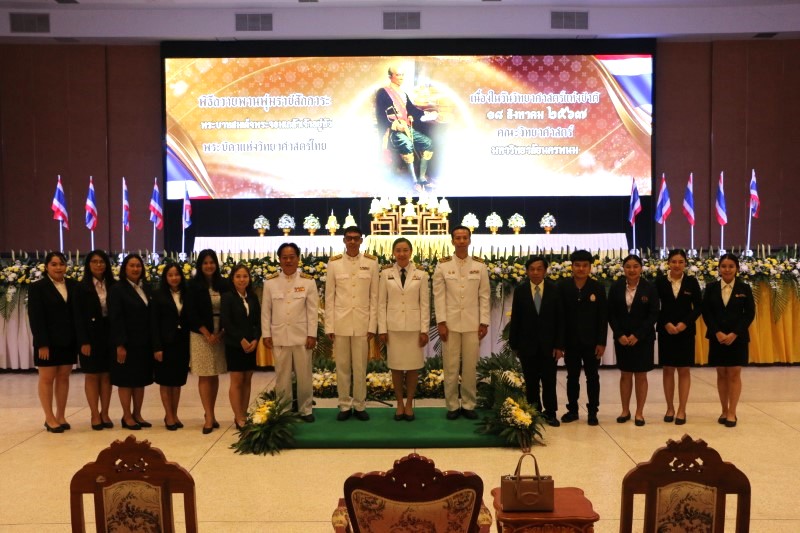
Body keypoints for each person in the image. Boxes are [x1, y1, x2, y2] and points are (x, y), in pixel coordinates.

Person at [433, 225, 490, 420]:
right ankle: (452, 406)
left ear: (469, 240)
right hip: (450, 324)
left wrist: (484, 322)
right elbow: (439, 296)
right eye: (458, 238)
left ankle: (468, 404)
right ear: (452, 241)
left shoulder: (479, 266)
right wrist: (441, 322)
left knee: (470, 367)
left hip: (472, 324)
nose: (461, 241)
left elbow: (484, 296)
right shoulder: (443, 265)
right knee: (450, 367)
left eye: (465, 237)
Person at [325, 226, 379, 422]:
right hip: (340, 323)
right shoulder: (334, 263)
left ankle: (360, 404)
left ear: (361, 240)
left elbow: (374, 297)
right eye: (349, 238)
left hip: (362, 323)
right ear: (344, 240)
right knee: (342, 367)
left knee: (360, 367)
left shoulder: (371, 263)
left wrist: (372, 326)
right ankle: (344, 405)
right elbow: (329, 297)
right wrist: (329, 326)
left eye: (356, 238)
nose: (353, 242)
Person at [261, 243, 319, 423]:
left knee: (304, 375)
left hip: (302, 336)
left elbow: (312, 311)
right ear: (279, 259)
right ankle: (284, 409)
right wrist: (266, 334)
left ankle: (305, 409)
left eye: (292, 257)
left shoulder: (308, 281)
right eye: (284, 257)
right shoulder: (270, 282)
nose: (288, 261)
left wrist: (312, 334)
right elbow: (266, 311)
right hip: (279, 336)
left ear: (298, 258)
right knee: (282, 376)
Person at [508, 256, 565, 427]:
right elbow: (516, 318)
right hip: (527, 345)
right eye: (532, 269)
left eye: (539, 269)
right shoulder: (521, 291)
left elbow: (561, 319)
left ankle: (551, 413)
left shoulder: (555, 290)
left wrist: (559, 345)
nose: (535, 272)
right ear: (527, 271)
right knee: (531, 381)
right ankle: (534, 411)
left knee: (549, 381)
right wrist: (514, 344)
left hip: (549, 346)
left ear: (545, 271)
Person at [378, 238, 430, 422]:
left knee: (414, 367)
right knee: (396, 368)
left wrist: (424, 330)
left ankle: (409, 404)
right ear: (393, 253)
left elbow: (425, 304)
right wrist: (382, 329)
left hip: (414, 328)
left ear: (411, 252)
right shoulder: (385, 274)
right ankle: (399, 403)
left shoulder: (421, 274)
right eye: (398, 250)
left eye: (405, 250)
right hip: (393, 328)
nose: (402, 254)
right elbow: (381, 303)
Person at [702, 253, 755, 428]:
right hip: (717, 337)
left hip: (737, 338)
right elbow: (706, 312)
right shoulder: (711, 288)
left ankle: (732, 412)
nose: (727, 269)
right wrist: (716, 332)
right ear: (719, 269)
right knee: (721, 373)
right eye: (724, 266)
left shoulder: (744, 288)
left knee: (734, 374)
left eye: (731, 266)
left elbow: (749, 314)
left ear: (737, 269)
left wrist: (734, 333)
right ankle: (724, 410)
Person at [28, 251, 78, 433]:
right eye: (54, 264)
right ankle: (49, 418)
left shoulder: (73, 285)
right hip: (47, 342)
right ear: (46, 266)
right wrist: (42, 343)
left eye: (61, 264)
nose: (58, 268)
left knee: (64, 377)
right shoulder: (38, 287)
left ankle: (60, 415)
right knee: (47, 378)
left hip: (68, 340)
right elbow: (36, 317)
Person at [607, 254, 659, 426]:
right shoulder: (616, 287)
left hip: (643, 339)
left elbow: (653, 314)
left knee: (641, 375)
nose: (632, 270)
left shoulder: (649, 287)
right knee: (625, 375)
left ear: (641, 268)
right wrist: (619, 334)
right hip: (622, 338)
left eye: (635, 266)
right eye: (628, 266)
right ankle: (625, 410)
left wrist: (638, 335)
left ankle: (639, 412)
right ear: (623, 268)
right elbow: (611, 313)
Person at [557, 250, 607, 426]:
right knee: (572, 377)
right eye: (577, 265)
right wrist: (560, 343)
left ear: (590, 267)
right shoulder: (563, 287)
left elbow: (603, 317)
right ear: (572, 267)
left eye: (585, 265)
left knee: (592, 377)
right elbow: (559, 317)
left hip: (592, 342)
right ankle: (572, 410)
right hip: (570, 342)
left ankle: (593, 411)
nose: (581, 269)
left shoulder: (597, 287)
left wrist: (601, 342)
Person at [655, 249, 702, 425]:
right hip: (666, 330)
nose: (677, 265)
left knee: (683, 370)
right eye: (673, 261)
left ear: (685, 264)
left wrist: (685, 323)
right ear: (668, 263)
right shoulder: (659, 281)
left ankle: (682, 409)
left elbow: (698, 307)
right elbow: (654, 306)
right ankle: (670, 408)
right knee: (668, 369)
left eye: (680, 262)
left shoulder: (691, 282)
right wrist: (666, 323)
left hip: (685, 332)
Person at [186, 249, 230, 434]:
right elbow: (190, 312)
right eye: (205, 263)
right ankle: (209, 416)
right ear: (200, 265)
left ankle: (211, 412)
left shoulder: (224, 284)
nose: (209, 266)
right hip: (200, 335)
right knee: (205, 375)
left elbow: (230, 308)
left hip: (220, 334)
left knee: (214, 374)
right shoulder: (193, 285)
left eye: (212, 262)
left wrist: (221, 332)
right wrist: (207, 333)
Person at [108, 253, 154, 430]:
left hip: (144, 342)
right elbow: (116, 318)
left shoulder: (146, 287)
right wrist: (120, 344)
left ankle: (138, 414)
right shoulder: (117, 289)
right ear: (124, 268)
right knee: (126, 380)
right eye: (132, 265)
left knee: (140, 380)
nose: (135, 269)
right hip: (126, 343)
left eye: (138, 266)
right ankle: (126, 416)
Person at [375, 64, 438, 189]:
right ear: (390, 76)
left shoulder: (403, 93)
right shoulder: (383, 92)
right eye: (398, 75)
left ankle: (422, 178)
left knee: (428, 143)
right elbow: (380, 115)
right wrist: (394, 125)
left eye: (402, 75)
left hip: (407, 128)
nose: (401, 77)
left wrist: (427, 114)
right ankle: (414, 182)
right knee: (407, 145)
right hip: (393, 131)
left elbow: (412, 110)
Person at [74, 250, 115, 430]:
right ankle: (94, 414)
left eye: (102, 261)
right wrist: (83, 341)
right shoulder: (81, 287)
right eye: (94, 261)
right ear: (88, 265)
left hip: (109, 334)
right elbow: (77, 316)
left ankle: (105, 413)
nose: (99, 265)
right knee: (91, 375)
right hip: (90, 336)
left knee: (106, 375)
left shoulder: (114, 285)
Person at [150, 262, 190, 431]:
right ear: (165, 277)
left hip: (182, 343)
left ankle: (174, 413)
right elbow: (154, 323)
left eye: (177, 274)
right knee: (166, 381)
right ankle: (168, 415)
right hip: (165, 344)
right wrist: (157, 347)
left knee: (177, 381)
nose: (174, 278)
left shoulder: (186, 294)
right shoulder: (158, 295)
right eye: (170, 275)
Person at [220, 264, 261, 430]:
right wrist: (241, 340)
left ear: (249, 279)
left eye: (245, 276)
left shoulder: (253, 297)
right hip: (234, 345)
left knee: (247, 380)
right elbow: (226, 322)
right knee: (237, 380)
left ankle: (244, 413)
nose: (242, 279)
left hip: (251, 345)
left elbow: (258, 321)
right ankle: (238, 417)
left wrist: (256, 339)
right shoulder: (227, 297)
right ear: (232, 279)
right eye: (238, 276)